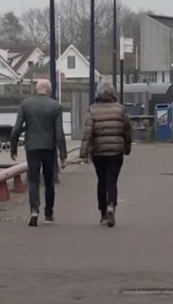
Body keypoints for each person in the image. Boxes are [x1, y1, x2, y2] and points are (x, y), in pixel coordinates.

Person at [9, 78, 67, 227]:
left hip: (32, 147)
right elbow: (59, 133)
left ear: (37, 89)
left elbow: (16, 129)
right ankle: (48, 213)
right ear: (48, 90)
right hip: (49, 148)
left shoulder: (26, 104)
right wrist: (63, 155)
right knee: (49, 181)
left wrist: (13, 147)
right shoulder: (56, 106)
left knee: (33, 179)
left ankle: (34, 210)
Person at [79, 81, 132, 227]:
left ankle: (103, 214)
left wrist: (83, 152)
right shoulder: (120, 109)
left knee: (101, 180)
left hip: (99, 152)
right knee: (112, 180)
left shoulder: (92, 110)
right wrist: (127, 148)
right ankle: (111, 205)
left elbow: (87, 132)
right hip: (116, 151)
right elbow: (127, 130)